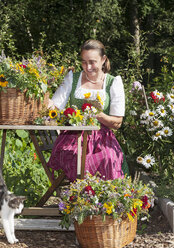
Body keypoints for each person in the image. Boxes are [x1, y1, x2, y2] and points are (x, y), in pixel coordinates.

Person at [47, 39, 128, 182]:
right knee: (74, 157)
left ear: (103, 59)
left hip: (102, 139)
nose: (88, 66)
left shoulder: (112, 83)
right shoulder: (72, 78)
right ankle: (82, 197)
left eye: (92, 62)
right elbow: (54, 107)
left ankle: (100, 199)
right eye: (84, 62)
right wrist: (43, 99)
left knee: (108, 157)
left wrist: (98, 115)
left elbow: (117, 122)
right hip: (73, 137)